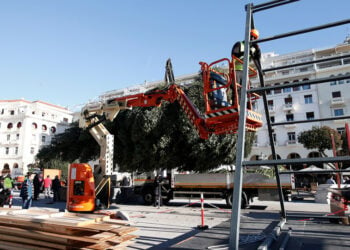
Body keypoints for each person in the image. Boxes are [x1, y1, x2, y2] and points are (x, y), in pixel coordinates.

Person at [231, 29, 261, 105]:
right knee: (236, 89)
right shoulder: (239, 44)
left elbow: (257, 60)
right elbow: (234, 54)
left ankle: (243, 105)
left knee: (244, 90)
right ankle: (235, 104)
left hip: (244, 72)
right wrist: (247, 51)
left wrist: (258, 50)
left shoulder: (252, 49)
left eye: (254, 37)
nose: (252, 38)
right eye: (251, 36)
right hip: (236, 70)